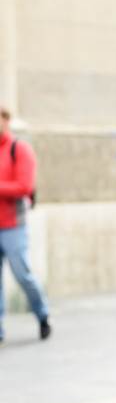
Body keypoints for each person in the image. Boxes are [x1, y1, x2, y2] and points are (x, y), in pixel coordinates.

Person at [0, 107, 51, 344]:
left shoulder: (19, 149)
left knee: (23, 275)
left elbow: (24, 186)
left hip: (13, 226)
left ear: (6, 120)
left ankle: (42, 315)